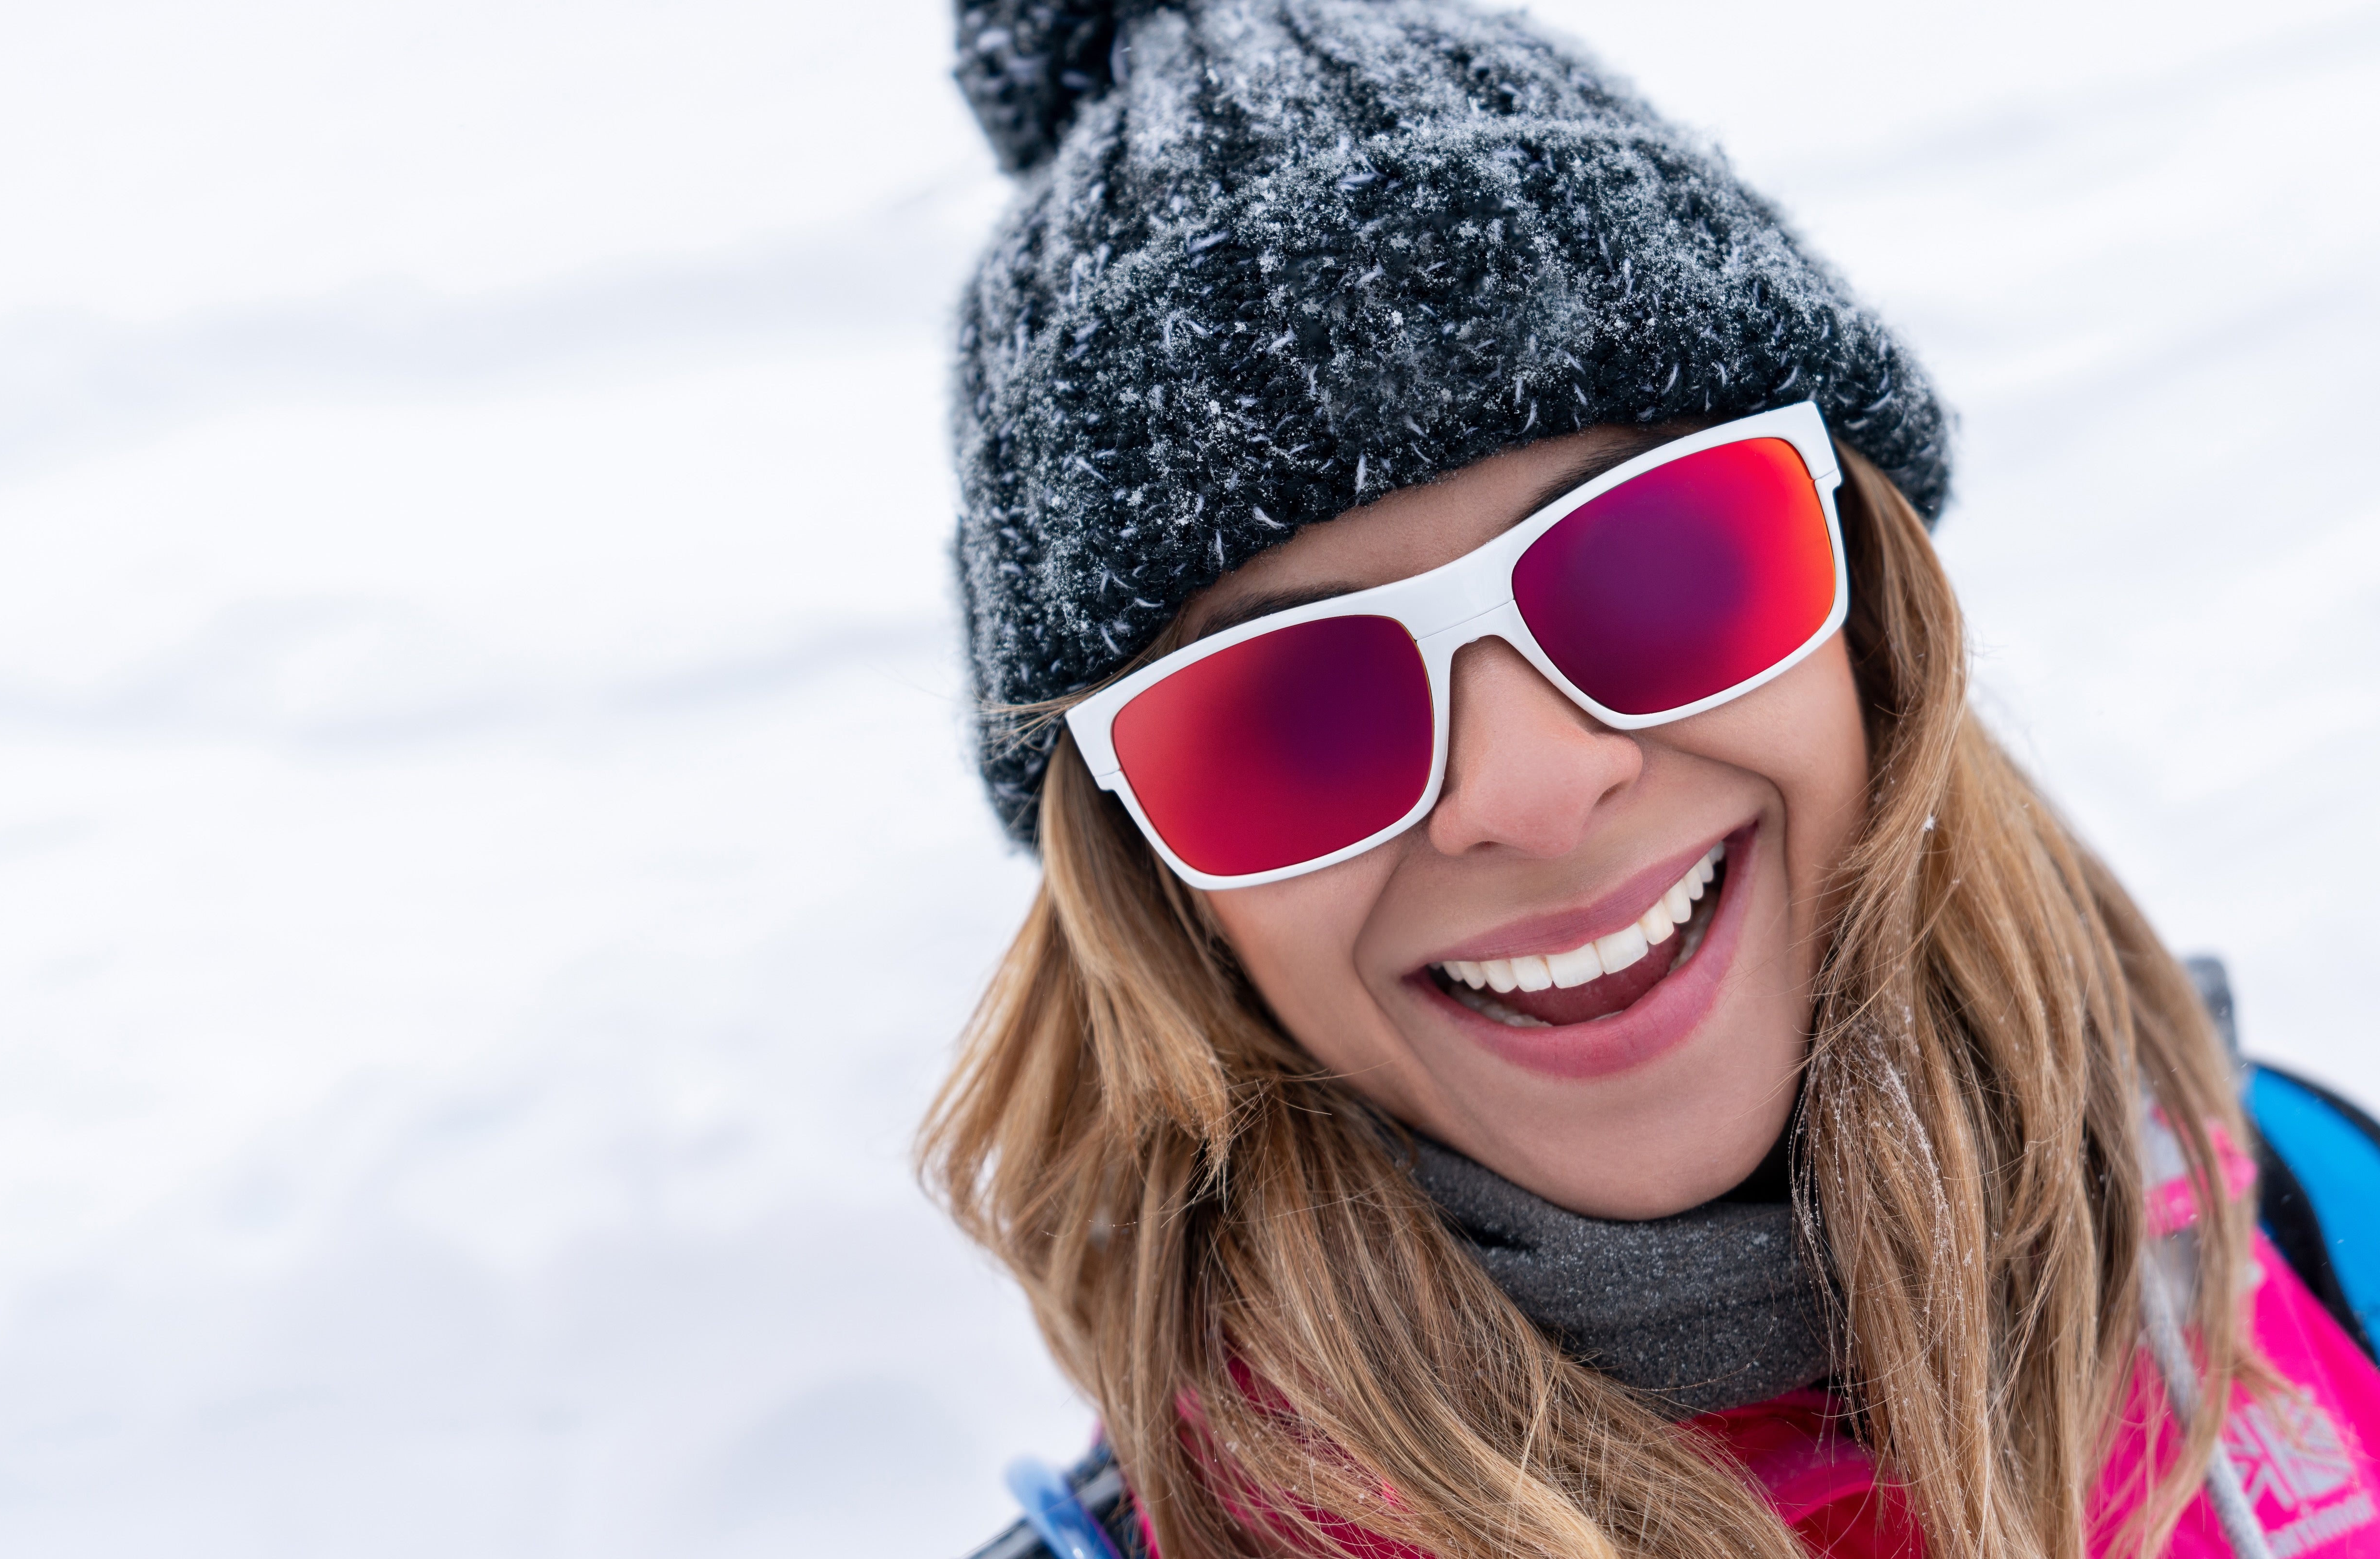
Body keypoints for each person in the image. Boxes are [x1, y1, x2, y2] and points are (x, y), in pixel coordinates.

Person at [921, 3, 2380, 1556]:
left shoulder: (2316, 1213)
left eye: (1656, 562)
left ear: (1868, 607)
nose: (1534, 787)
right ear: (1154, 876)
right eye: (1292, 716)